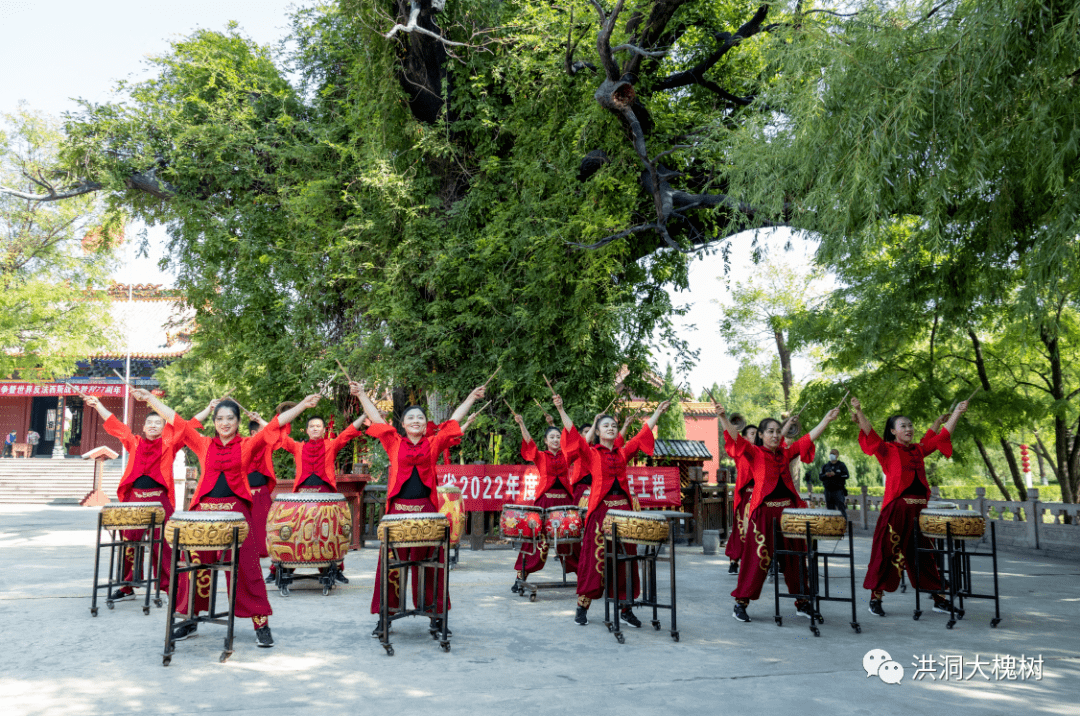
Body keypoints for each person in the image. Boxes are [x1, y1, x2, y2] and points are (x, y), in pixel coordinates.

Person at [141, 390, 316, 648]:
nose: (225, 423)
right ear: (214, 422)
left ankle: (261, 624)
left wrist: (302, 403)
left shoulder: (248, 444)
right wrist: (150, 400)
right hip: (203, 516)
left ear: (237, 422)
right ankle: (190, 618)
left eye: (230, 418)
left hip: (236, 516)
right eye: (220, 418)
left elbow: (278, 423)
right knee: (194, 567)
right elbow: (175, 418)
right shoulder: (203, 444)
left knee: (247, 568)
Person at [350, 379, 486, 636]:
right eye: (410, 417)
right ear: (403, 424)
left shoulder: (433, 443)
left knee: (432, 564)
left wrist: (470, 397)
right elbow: (376, 417)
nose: (416, 420)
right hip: (397, 513)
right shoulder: (394, 442)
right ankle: (386, 616)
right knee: (390, 565)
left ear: (425, 424)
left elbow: (452, 423)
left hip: (427, 513)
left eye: (420, 418)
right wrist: (362, 395)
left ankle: (435, 614)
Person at [716, 401, 841, 623]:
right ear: (761, 436)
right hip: (763, 516)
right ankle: (741, 603)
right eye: (770, 432)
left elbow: (808, 438)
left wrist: (826, 420)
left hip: (789, 516)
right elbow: (735, 438)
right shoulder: (754, 453)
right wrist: (724, 418)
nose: (774, 435)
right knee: (756, 561)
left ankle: (802, 603)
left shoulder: (785, 454)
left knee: (796, 560)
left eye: (777, 432)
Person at [851, 397, 968, 617]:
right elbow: (869, 432)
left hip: (920, 512)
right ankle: (875, 598)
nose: (909, 429)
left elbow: (943, 435)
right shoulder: (886, 449)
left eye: (911, 425)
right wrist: (859, 410)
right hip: (897, 511)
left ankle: (938, 599)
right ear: (893, 432)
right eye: (903, 426)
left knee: (925, 555)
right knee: (887, 553)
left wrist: (957, 413)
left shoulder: (919, 450)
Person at [567, 399, 671, 627]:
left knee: (626, 560)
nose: (611, 428)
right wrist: (560, 409)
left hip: (624, 511)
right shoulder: (591, 454)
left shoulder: (623, 454)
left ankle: (625, 609)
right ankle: (582, 606)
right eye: (606, 426)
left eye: (613, 426)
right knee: (595, 559)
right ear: (598, 431)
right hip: (600, 512)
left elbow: (642, 435)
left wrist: (657, 413)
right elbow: (573, 435)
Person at [85, 393, 186, 601]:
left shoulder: (169, 444)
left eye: (158, 423)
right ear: (143, 427)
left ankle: (169, 586)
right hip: (135, 499)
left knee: (164, 544)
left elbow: (184, 425)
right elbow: (116, 425)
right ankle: (127, 587)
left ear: (163, 427)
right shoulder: (135, 442)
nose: (153, 425)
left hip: (160, 501)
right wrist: (98, 406)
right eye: (149, 422)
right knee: (130, 542)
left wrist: (208, 410)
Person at [275, 399, 370, 583]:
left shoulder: (330, 445)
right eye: (312, 426)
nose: (315, 428)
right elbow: (278, 436)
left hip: (326, 497)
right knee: (297, 532)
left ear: (324, 429)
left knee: (330, 532)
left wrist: (366, 415)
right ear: (307, 430)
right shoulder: (298, 447)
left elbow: (348, 433)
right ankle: (284, 568)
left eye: (319, 426)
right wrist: (263, 422)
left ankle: (335, 568)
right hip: (302, 498)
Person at [507, 394, 580, 590]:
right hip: (544, 503)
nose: (556, 440)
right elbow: (529, 443)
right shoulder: (540, 456)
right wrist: (522, 424)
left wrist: (560, 410)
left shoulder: (568, 455)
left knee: (570, 540)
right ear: (546, 441)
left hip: (565, 502)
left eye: (558, 437)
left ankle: (583, 575)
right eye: (552, 437)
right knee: (535, 540)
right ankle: (521, 575)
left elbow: (574, 436)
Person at [722, 421, 758, 575]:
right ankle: (734, 560)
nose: (756, 437)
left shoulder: (763, 452)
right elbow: (731, 437)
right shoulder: (740, 451)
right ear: (744, 437)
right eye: (752, 434)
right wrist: (723, 418)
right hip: (745, 496)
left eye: (758, 434)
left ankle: (761, 561)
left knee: (760, 528)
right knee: (741, 527)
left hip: (760, 496)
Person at [819, 448, 850, 521]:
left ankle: (844, 525)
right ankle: (832, 528)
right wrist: (826, 475)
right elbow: (820, 477)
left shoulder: (841, 465)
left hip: (838, 491)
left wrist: (835, 475)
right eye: (830, 453)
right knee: (830, 510)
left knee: (841, 509)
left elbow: (846, 475)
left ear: (837, 455)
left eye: (833, 453)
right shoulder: (825, 466)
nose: (831, 455)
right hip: (828, 491)